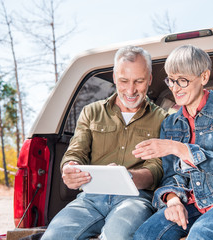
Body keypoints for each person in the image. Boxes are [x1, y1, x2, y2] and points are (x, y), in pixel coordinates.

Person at [132, 44, 213, 240]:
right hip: (192, 204)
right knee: (145, 234)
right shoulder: (170, 124)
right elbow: (171, 175)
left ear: (204, 77)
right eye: (171, 80)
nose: (175, 88)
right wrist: (172, 200)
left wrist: (177, 148)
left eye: (182, 80)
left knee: (201, 233)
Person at [41, 45, 168, 240]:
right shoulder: (91, 112)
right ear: (115, 78)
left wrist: (127, 176)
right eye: (124, 81)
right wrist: (70, 167)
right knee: (53, 236)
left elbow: (157, 169)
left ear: (149, 79)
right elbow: (77, 151)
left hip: (135, 199)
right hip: (90, 199)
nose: (131, 90)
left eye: (139, 81)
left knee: (117, 235)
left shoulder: (163, 119)